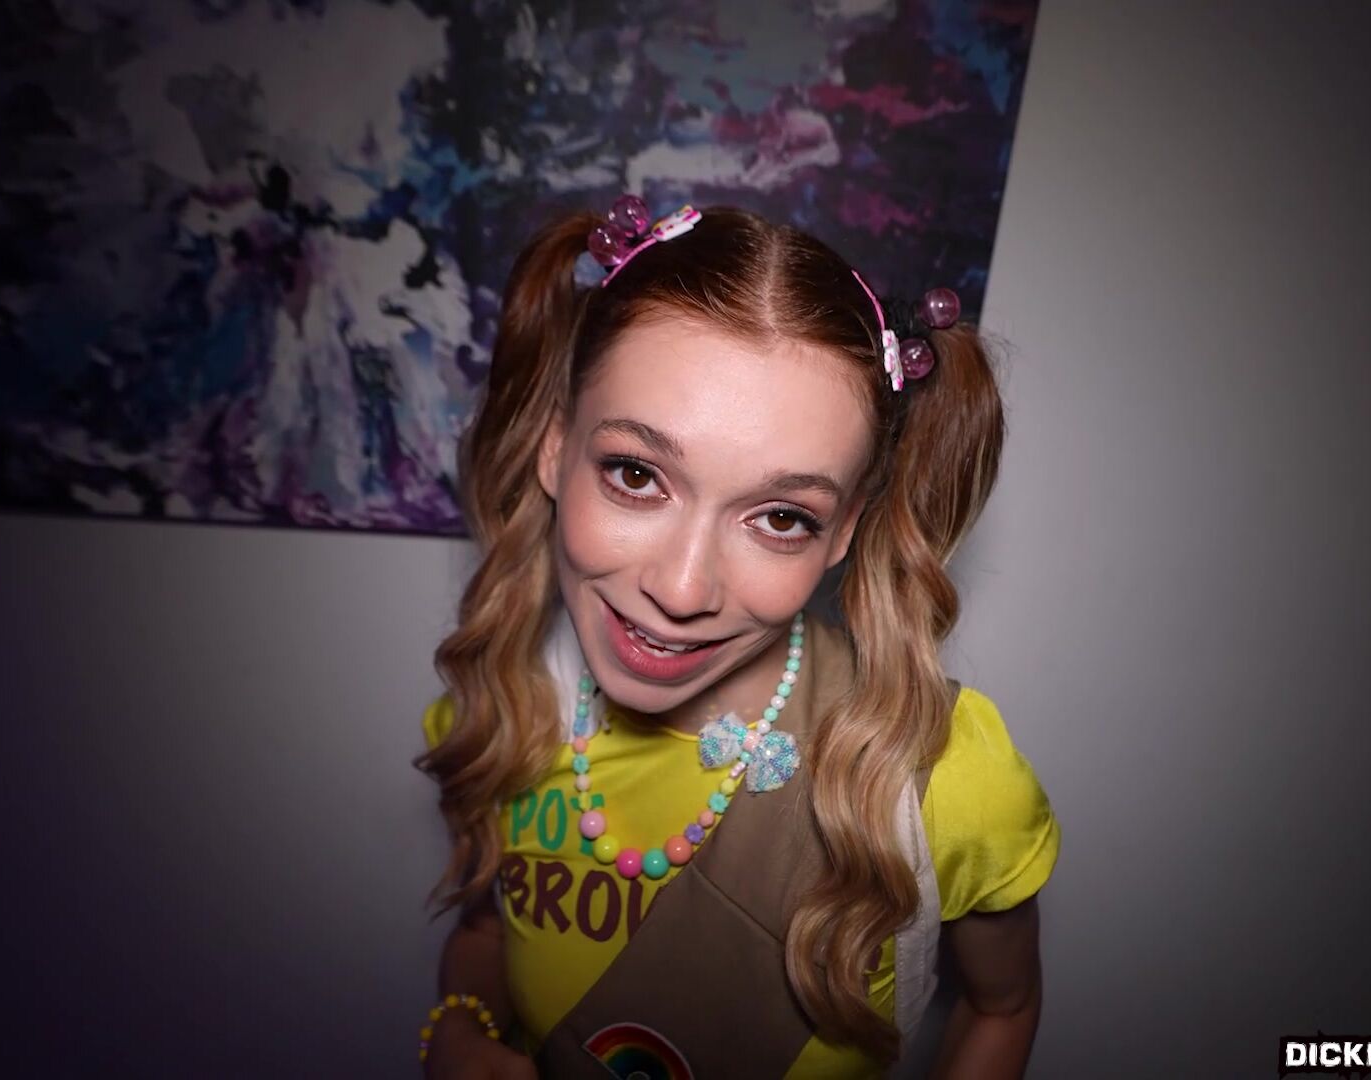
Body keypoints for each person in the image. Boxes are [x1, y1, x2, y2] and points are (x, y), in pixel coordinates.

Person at [416, 197, 1059, 1079]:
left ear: (843, 532)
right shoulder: (504, 708)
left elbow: (1002, 1005)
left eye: (780, 517)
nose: (681, 590)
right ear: (554, 448)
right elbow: (488, 931)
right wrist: (457, 1031)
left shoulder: (944, 779)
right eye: (635, 474)